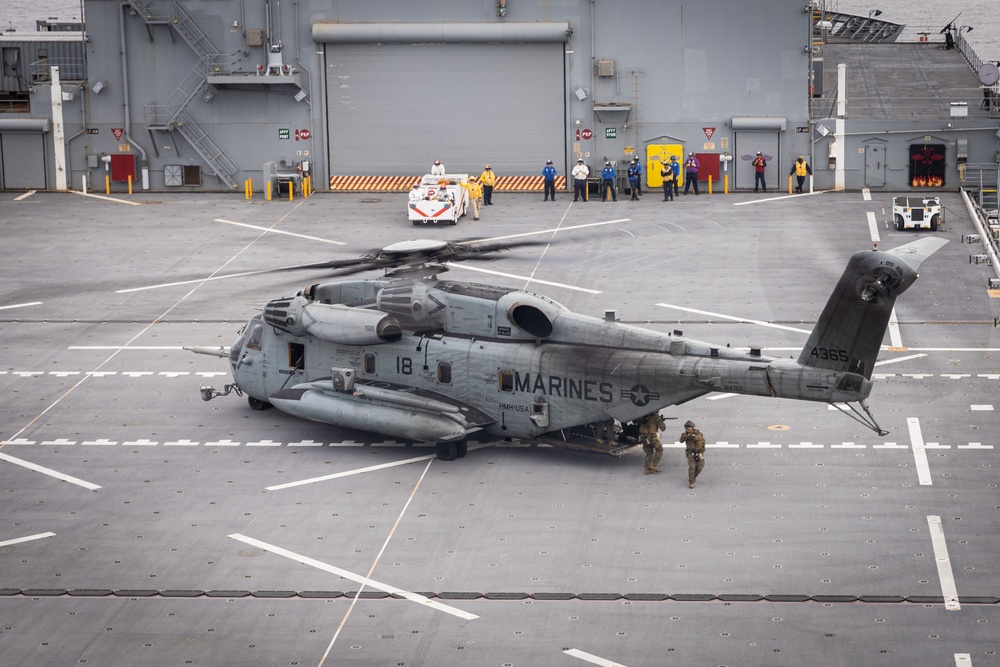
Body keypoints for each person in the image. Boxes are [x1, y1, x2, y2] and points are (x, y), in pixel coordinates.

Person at [679, 420, 706, 488]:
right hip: (690, 453)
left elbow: (697, 438)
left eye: (690, 427)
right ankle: (691, 481)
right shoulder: (685, 434)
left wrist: (691, 435)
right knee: (692, 467)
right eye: (687, 427)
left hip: (699, 452)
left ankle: (693, 476)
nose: (689, 428)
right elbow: (681, 440)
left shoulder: (698, 433)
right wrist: (686, 435)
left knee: (700, 467)